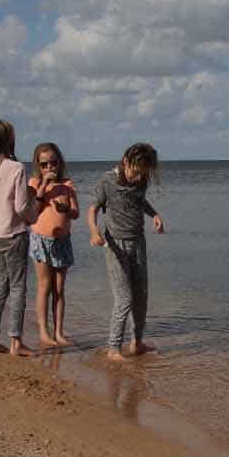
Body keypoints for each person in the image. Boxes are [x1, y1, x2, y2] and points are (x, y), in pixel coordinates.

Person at [88, 142, 165, 361]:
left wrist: (155, 215)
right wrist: (94, 231)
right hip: (115, 245)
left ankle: (137, 343)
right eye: (135, 171)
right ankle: (113, 348)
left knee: (141, 295)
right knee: (124, 298)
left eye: (143, 173)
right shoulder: (107, 180)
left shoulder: (142, 179)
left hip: (138, 242)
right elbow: (92, 209)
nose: (137, 177)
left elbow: (139, 201)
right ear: (125, 162)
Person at [0, 120, 41, 357]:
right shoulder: (16, 167)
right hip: (13, 233)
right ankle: (16, 341)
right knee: (17, 288)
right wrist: (35, 213)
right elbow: (22, 207)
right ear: (8, 140)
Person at [28, 142, 79, 346]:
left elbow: (75, 213)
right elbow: (33, 210)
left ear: (59, 163)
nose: (49, 168)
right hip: (41, 238)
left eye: (53, 163)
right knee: (44, 286)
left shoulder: (67, 185)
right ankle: (43, 331)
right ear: (38, 166)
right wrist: (42, 188)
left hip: (62, 240)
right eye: (44, 164)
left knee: (59, 288)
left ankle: (59, 332)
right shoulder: (34, 183)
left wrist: (65, 209)